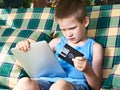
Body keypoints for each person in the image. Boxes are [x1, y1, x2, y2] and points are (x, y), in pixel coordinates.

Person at [13, 0, 103, 90]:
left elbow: (96, 86)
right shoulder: (55, 43)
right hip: (45, 81)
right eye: (63, 29)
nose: (68, 34)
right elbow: (36, 62)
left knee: (60, 85)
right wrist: (25, 47)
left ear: (85, 22)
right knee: (24, 82)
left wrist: (87, 70)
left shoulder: (95, 48)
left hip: (73, 85)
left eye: (72, 28)